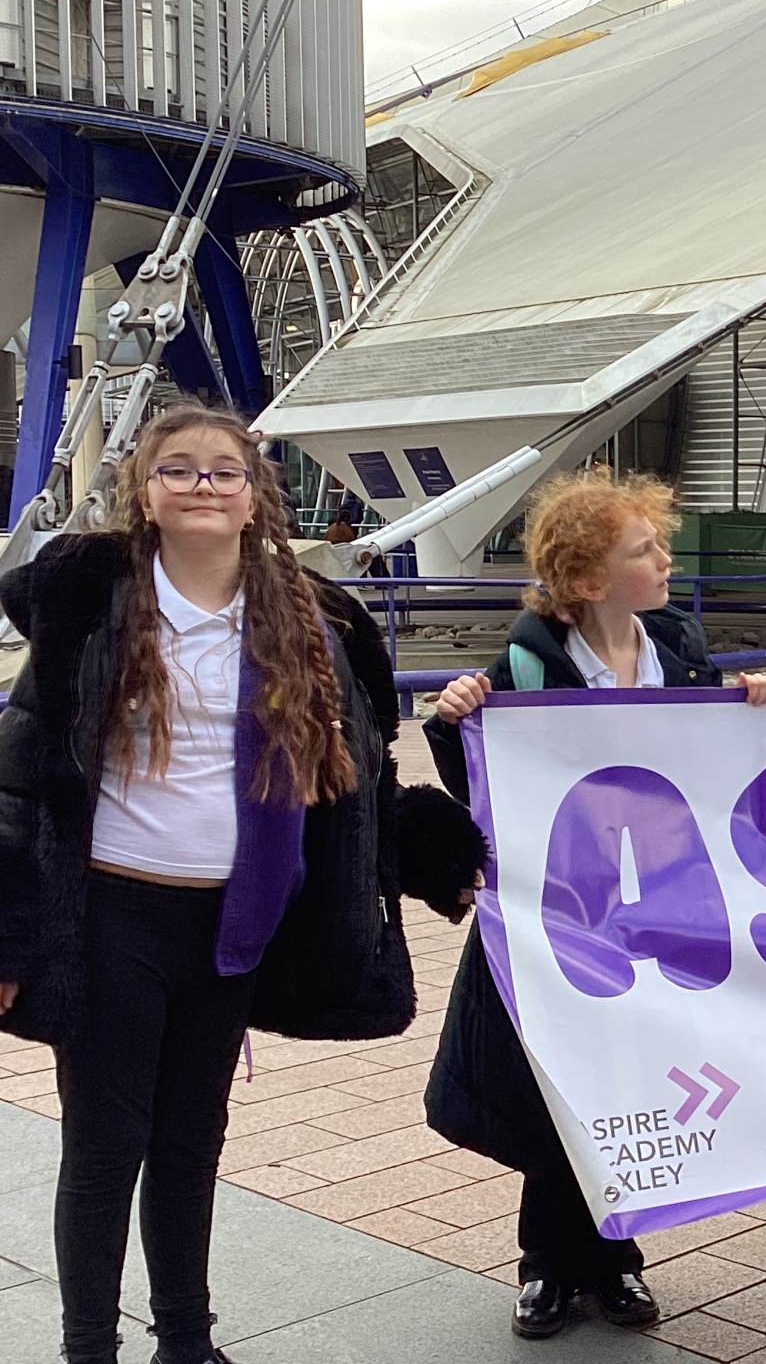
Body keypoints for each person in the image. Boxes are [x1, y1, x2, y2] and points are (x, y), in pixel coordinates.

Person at [0, 404, 484, 1364]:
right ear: (144, 493)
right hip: (113, 916)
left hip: (234, 924)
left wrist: (434, 851)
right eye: (177, 469)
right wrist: (8, 935)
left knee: (191, 1143)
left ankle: (187, 1342)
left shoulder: (311, 621)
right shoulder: (92, 605)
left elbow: (354, 781)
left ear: (254, 494)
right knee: (105, 1147)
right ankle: (88, 1349)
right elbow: (19, 776)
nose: (203, 485)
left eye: (224, 471)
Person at [423, 469, 766, 1341]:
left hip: (654, 912)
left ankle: (615, 1259)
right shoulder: (526, 664)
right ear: (587, 580)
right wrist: (451, 721)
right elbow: (487, 789)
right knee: (559, 1085)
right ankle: (548, 1264)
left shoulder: (677, 646)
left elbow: (713, 759)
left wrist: (753, 704)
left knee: (628, 1082)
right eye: (644, 550)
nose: (664, 560)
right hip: (562, 919)